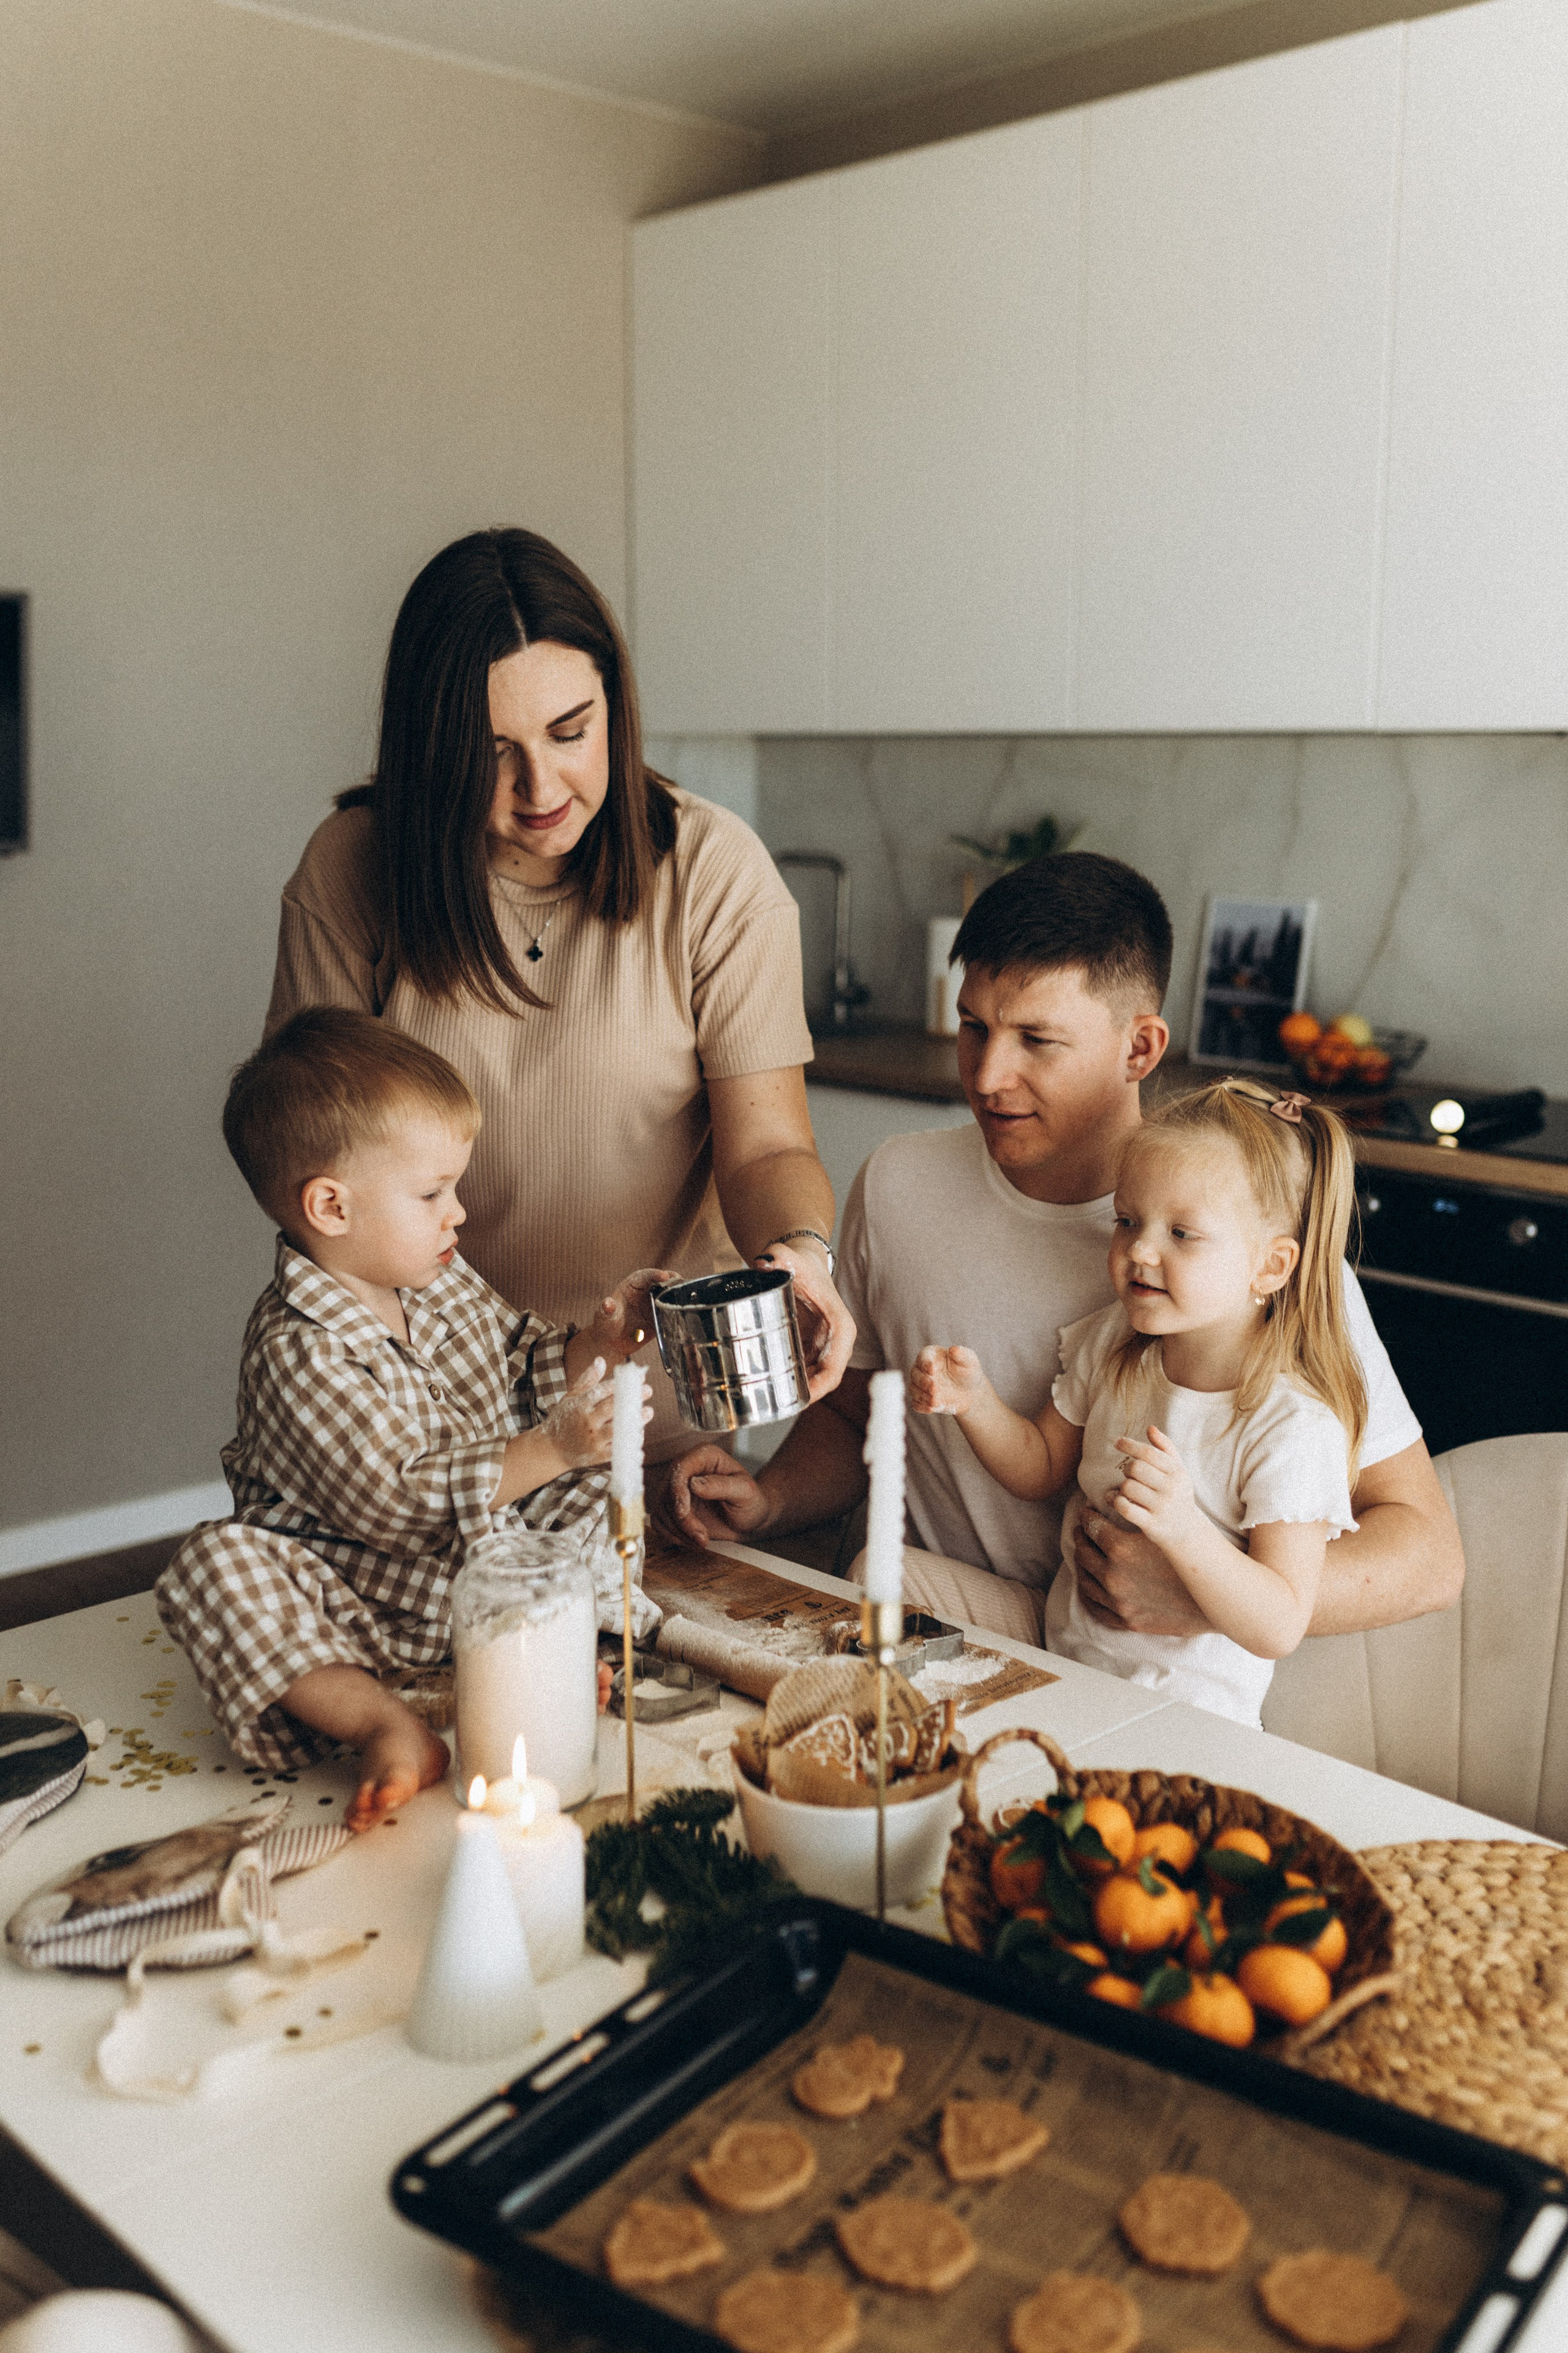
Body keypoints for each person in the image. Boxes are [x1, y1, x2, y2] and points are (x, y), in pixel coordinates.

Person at [669, 853, 1463, 1650]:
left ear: (1141, 1048)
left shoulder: (1240, 1252)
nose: (987, 1075)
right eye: (973, 1026)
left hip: (1154, 1671)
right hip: (954, 1632)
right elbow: (856, 1414)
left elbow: (1428, 1556)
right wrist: (769, 1498)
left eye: (1037, 1039)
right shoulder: (898, 1183)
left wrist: (1191, 1592)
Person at [263, 527, 853, 1475]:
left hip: (650, 1424)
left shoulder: (714, 870)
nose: (541, 787)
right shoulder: (351, 870)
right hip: (421, 1424)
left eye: (571, 733)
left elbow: (771, 1147)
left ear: (615, 710)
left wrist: (800, 1253)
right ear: (429, 752)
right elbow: (309, 1166)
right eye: (491, 753)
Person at [156, 1009, 659, 1830]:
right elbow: (397, 1499)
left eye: (452, 1187)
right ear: (330, 1206)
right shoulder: (299, 1350)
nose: (456, 1212)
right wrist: (555, 1445)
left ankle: (562, 1652)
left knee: (592, 1493)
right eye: (431, 1193)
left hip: (484, 1571)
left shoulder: (437, 1275)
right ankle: (386, 1721)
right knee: (215, 1566)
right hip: (362, 1599)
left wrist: (598, 1347)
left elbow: (521, 1365)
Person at [912, 1079, 1363, 1724]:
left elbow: (1280, 1624)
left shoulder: (1291, 1424)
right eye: (1128, 1221)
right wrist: (974, 1402)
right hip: (1058, 1659)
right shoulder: (1113, 1342)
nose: (1140, 1250)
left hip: (1180, 1719)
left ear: (1270, 1266)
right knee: (880, 1575)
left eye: (1182, 1233)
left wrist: (1184, 1530)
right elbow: (1038, 1467)